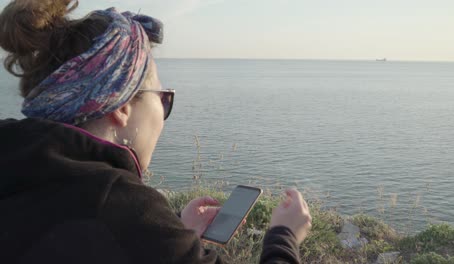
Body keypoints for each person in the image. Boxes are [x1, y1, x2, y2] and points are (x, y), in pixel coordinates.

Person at [0, 1, 312, 263]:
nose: (163, 114)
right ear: (120, 107)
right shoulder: (120, 207)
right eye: (162, 98)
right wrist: (284, 237)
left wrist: (174, 231)